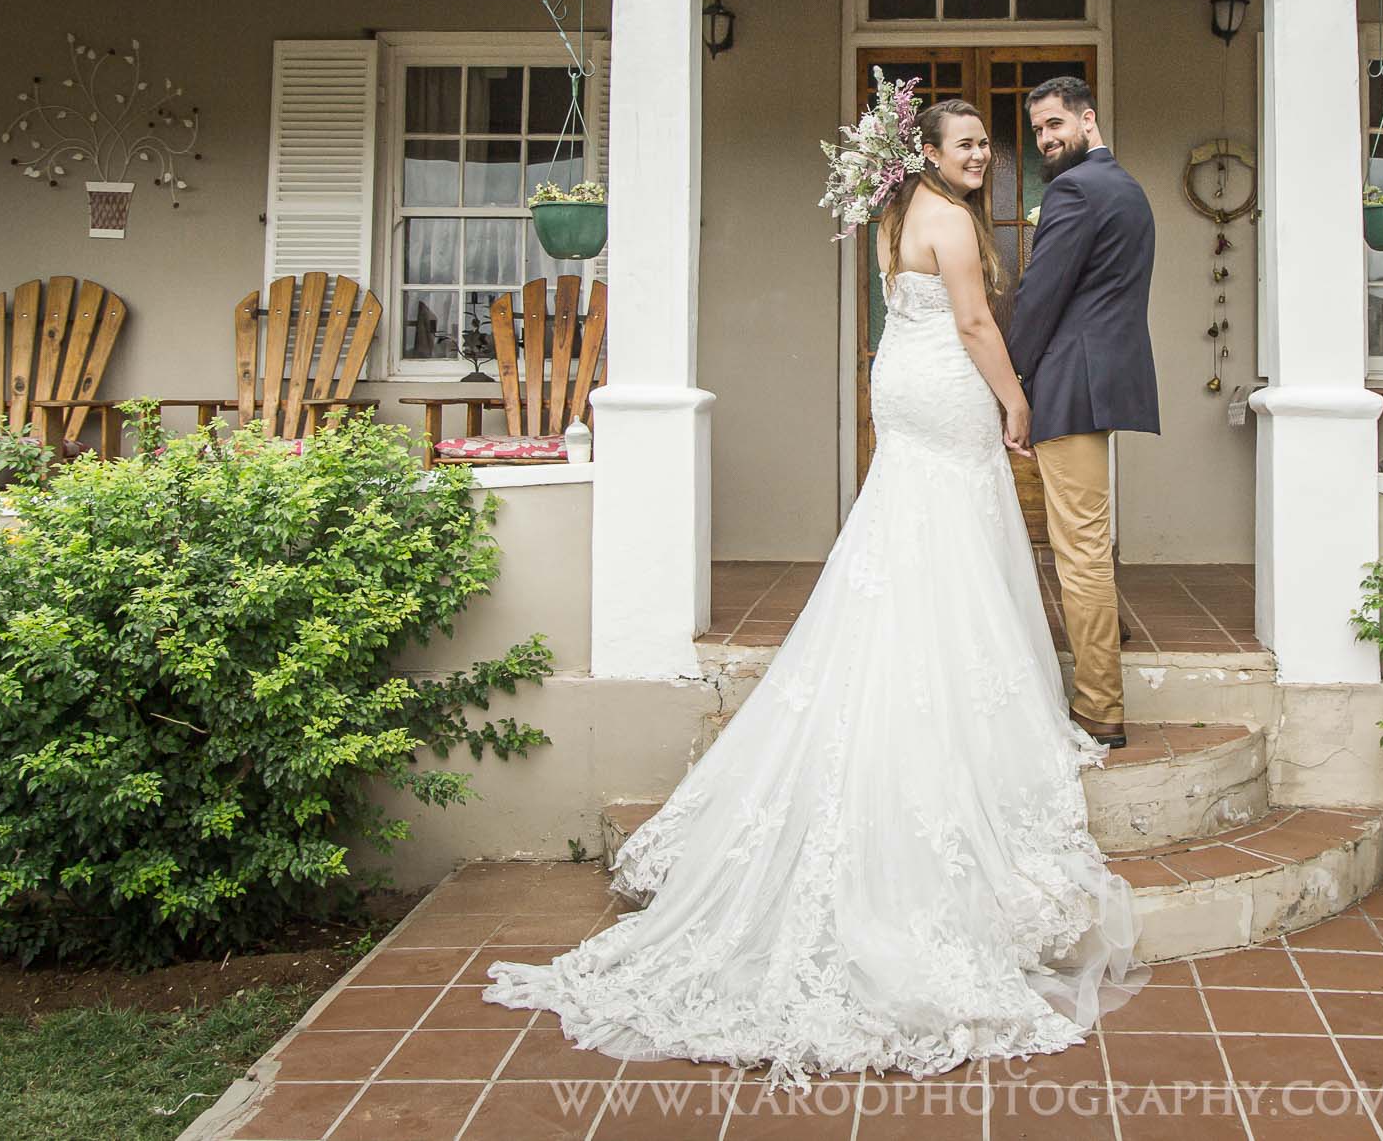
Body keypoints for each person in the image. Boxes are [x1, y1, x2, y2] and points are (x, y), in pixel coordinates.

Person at [483, 82, 1150, 1095]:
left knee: (906, 535)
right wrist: (1015, 399)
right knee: (954, 536)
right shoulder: (952, 221)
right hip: (947, 388)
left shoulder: (897, 213)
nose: (983, 155)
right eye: (966, 144)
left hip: (904, 388)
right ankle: (969, 690)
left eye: (988, 142)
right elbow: (977, 324)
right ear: (927, 152)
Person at [1004, 77, 1161, 751]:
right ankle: (1105, 643)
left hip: (1070, 383)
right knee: (1088, 536)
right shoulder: (1128, 188)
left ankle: (1100, 703)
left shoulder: (1073, 191)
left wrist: (1011, 379)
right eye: (1038, 129)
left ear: (1087, 119)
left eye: (1055, 124)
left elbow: (1040, 294)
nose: (1045, 138)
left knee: (1080, 550)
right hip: (1104, 379)